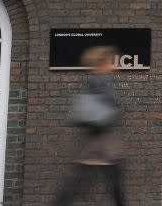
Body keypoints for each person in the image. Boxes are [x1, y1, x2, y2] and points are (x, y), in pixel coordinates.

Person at [52, 46, 127, 206]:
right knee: (110, 182)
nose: (115, 65)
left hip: (96, 137)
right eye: (111, 62)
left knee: (84, 180)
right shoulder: (101, 80)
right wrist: (118, 108)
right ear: (103, 63)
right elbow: (111, 104)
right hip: (102, 139)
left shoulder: (93, 79)